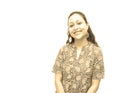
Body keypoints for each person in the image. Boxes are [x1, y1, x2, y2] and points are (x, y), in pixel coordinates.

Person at [52, 11, 104, 93]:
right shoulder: (63, 50)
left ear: (87, 25)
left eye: (79, 23)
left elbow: (95, 85)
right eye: (71, 25)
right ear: (69, 30)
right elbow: (57, 80)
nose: (76, 27)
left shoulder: (96, 51)